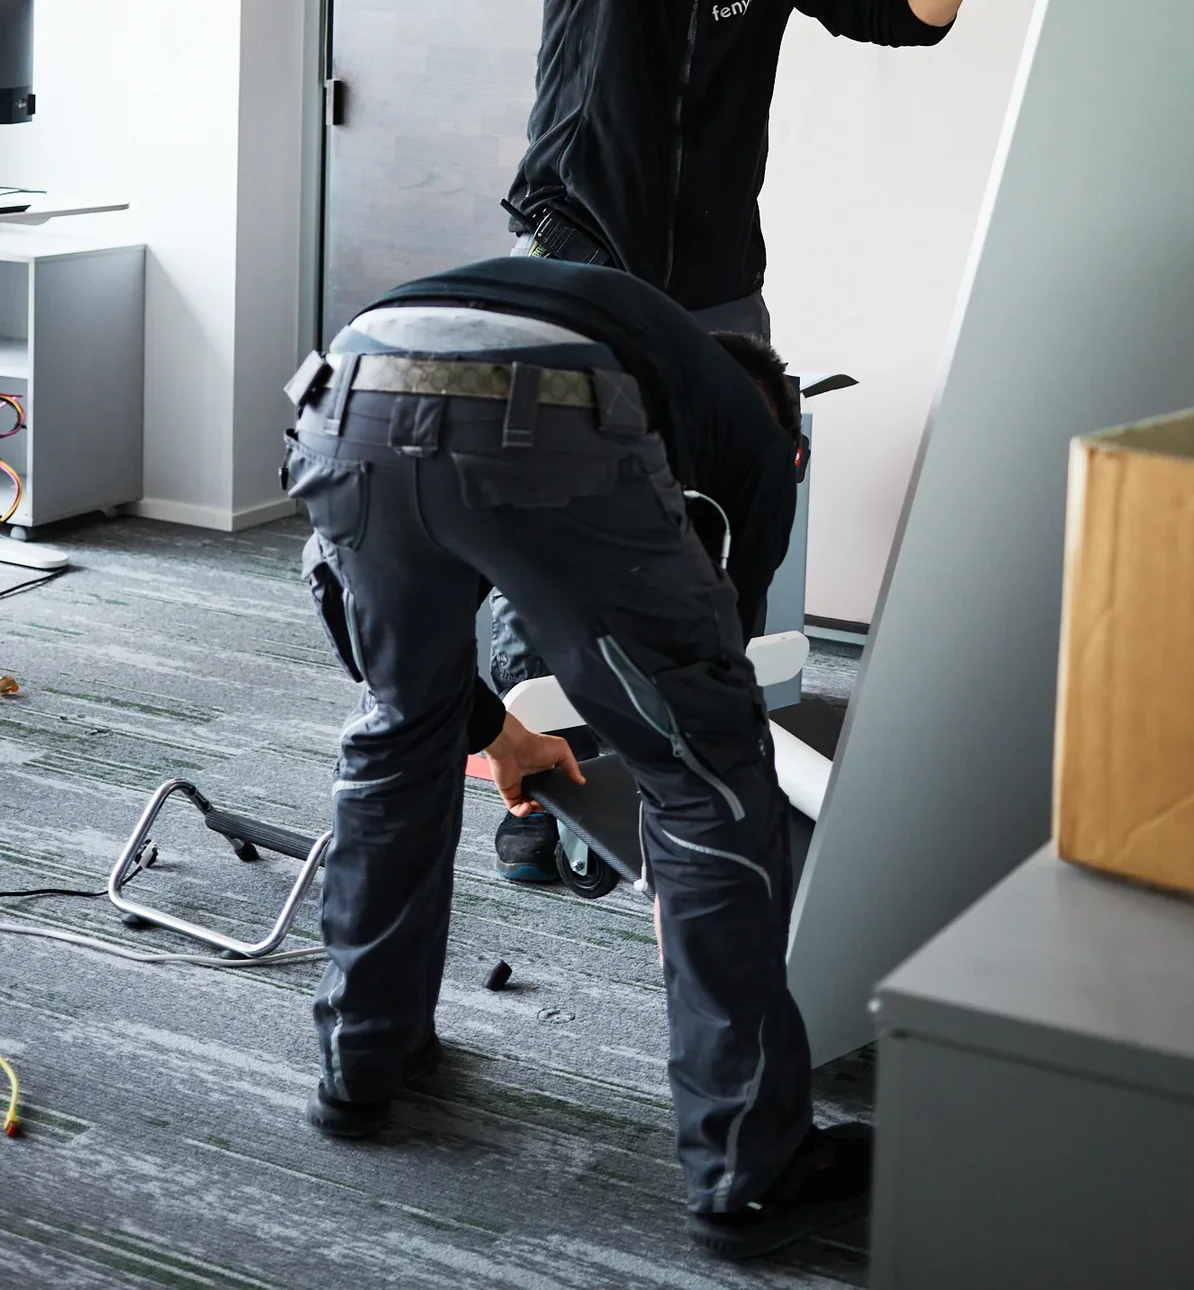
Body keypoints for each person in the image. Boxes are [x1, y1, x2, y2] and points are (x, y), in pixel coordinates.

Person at [490, 0, 1030, 874]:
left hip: (721, 280)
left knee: (737, 500)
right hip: (583, 255)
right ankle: (533, 781)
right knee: (559, 514)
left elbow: (914, 14)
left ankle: (700, 742)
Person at [283, 255, 870, 1262]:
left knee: (395, 726)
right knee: (711, 782)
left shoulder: (644, 342)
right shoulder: (761, 440)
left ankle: (362, 1058)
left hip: (349, 384)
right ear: (793, 441)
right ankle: (749, 1166)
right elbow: (719, 680)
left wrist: (487, 726)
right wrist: (679, 855)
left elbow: (359, 629)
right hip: (543, 404)